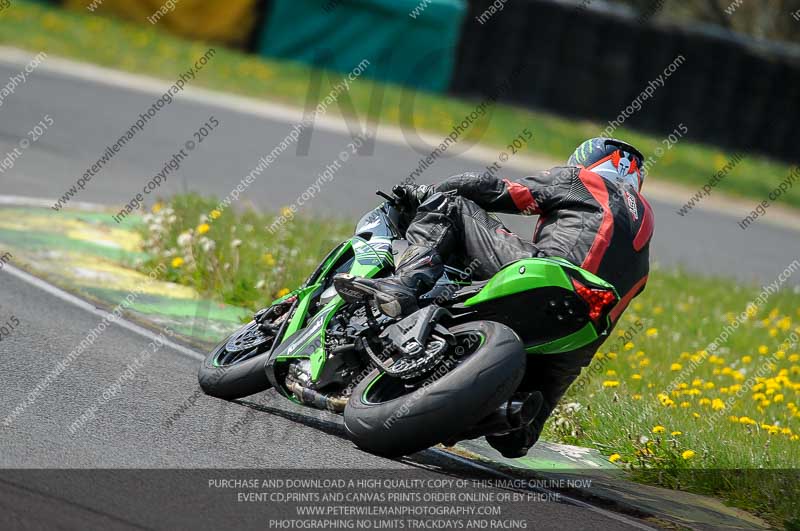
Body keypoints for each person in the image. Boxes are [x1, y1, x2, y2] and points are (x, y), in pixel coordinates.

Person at [334, 137, 654, 458]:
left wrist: (425, 192)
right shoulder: (643, 243)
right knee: (516, 438)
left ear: (588, 160)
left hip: (551, 276)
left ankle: (404, 284)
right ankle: (505, 417)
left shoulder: (582, 180)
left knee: (450, 205)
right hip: (583, 329)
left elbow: (497, 190)